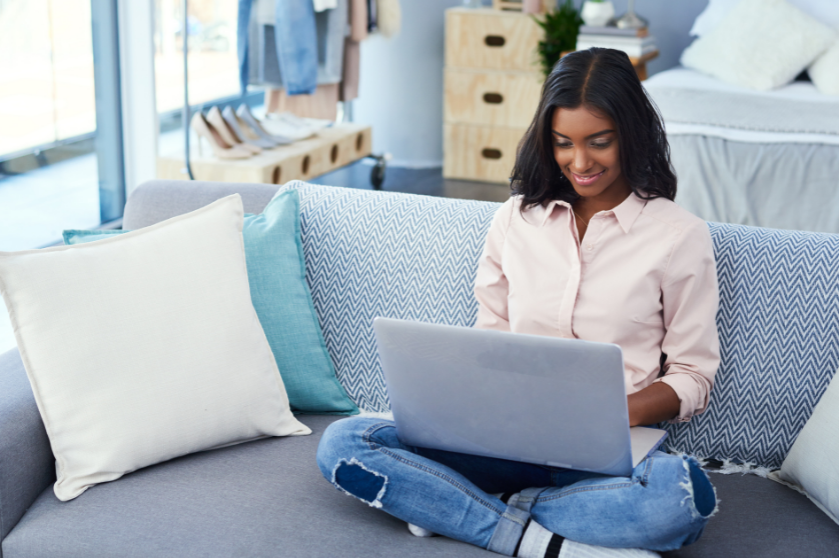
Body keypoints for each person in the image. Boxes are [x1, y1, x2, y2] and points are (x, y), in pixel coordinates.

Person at [316, 48, 720, 558]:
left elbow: (692, 375)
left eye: (599, 142)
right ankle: (535, 536)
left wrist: (609, 415)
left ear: (631, 134)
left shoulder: (678, 235)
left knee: (680, 499)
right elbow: (491, 339)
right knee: (344, 443)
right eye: (563, 143)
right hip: (500, 439)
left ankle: (460, 509)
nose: (580, 162)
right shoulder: (514, 219)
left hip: (606, 455)